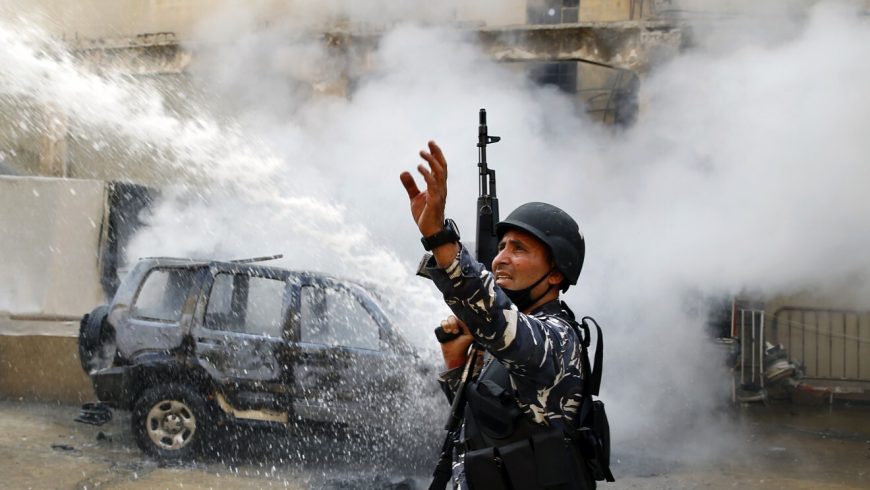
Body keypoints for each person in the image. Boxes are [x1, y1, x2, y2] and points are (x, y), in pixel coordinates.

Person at [400, 141, 598, 489]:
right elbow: (491, 427)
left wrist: (438, 237)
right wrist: (459, 366)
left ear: (556, 273)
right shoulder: (504, 338)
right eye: (502, 246)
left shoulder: (557, 338)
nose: (500, 258)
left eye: (519, 249)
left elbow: (495, 316)